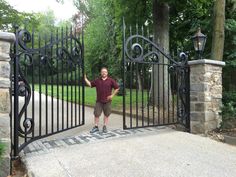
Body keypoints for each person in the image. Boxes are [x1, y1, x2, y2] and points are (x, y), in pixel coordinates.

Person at [84, 67, 119, 133]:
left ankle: (104, 126)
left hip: (107, 101)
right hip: (99, 101)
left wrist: (112, 95)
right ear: (101, 73)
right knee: (96, 114)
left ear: (107, 73)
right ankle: (96, 127)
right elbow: (90, 84)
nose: (104, 73)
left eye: (105, 72)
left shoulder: (111, 80)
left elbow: (117, 88)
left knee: (106, 114)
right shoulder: (97, 80)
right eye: (102, 72)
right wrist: (85, 79)